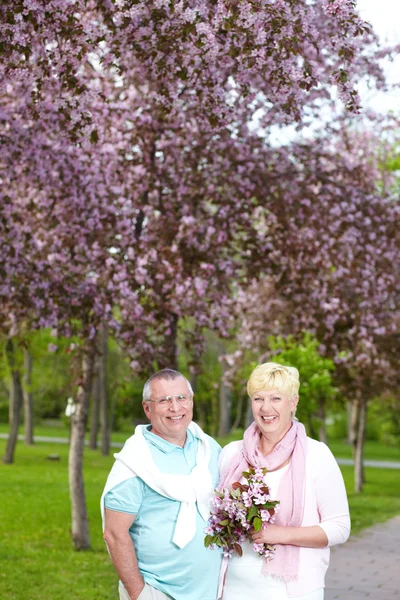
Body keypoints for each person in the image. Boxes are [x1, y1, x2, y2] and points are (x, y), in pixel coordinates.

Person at [218, 362, 350, 600]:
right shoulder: (231, 454)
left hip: (293, 589)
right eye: (258, 399)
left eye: (276, 398)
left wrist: (278, 533)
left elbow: (340, 527)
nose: (266, 408)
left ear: (293, 402)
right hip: (235, 588)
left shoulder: (316, 455)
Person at [101, 368, 222, 600]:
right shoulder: (134, 462)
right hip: (158, 591)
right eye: (164, 400)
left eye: (181, 398)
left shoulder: (209, 449)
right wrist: (140, 593)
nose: (175, 408)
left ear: (191, 401)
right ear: (148, 408)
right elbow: (114, 534)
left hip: (212, 591)